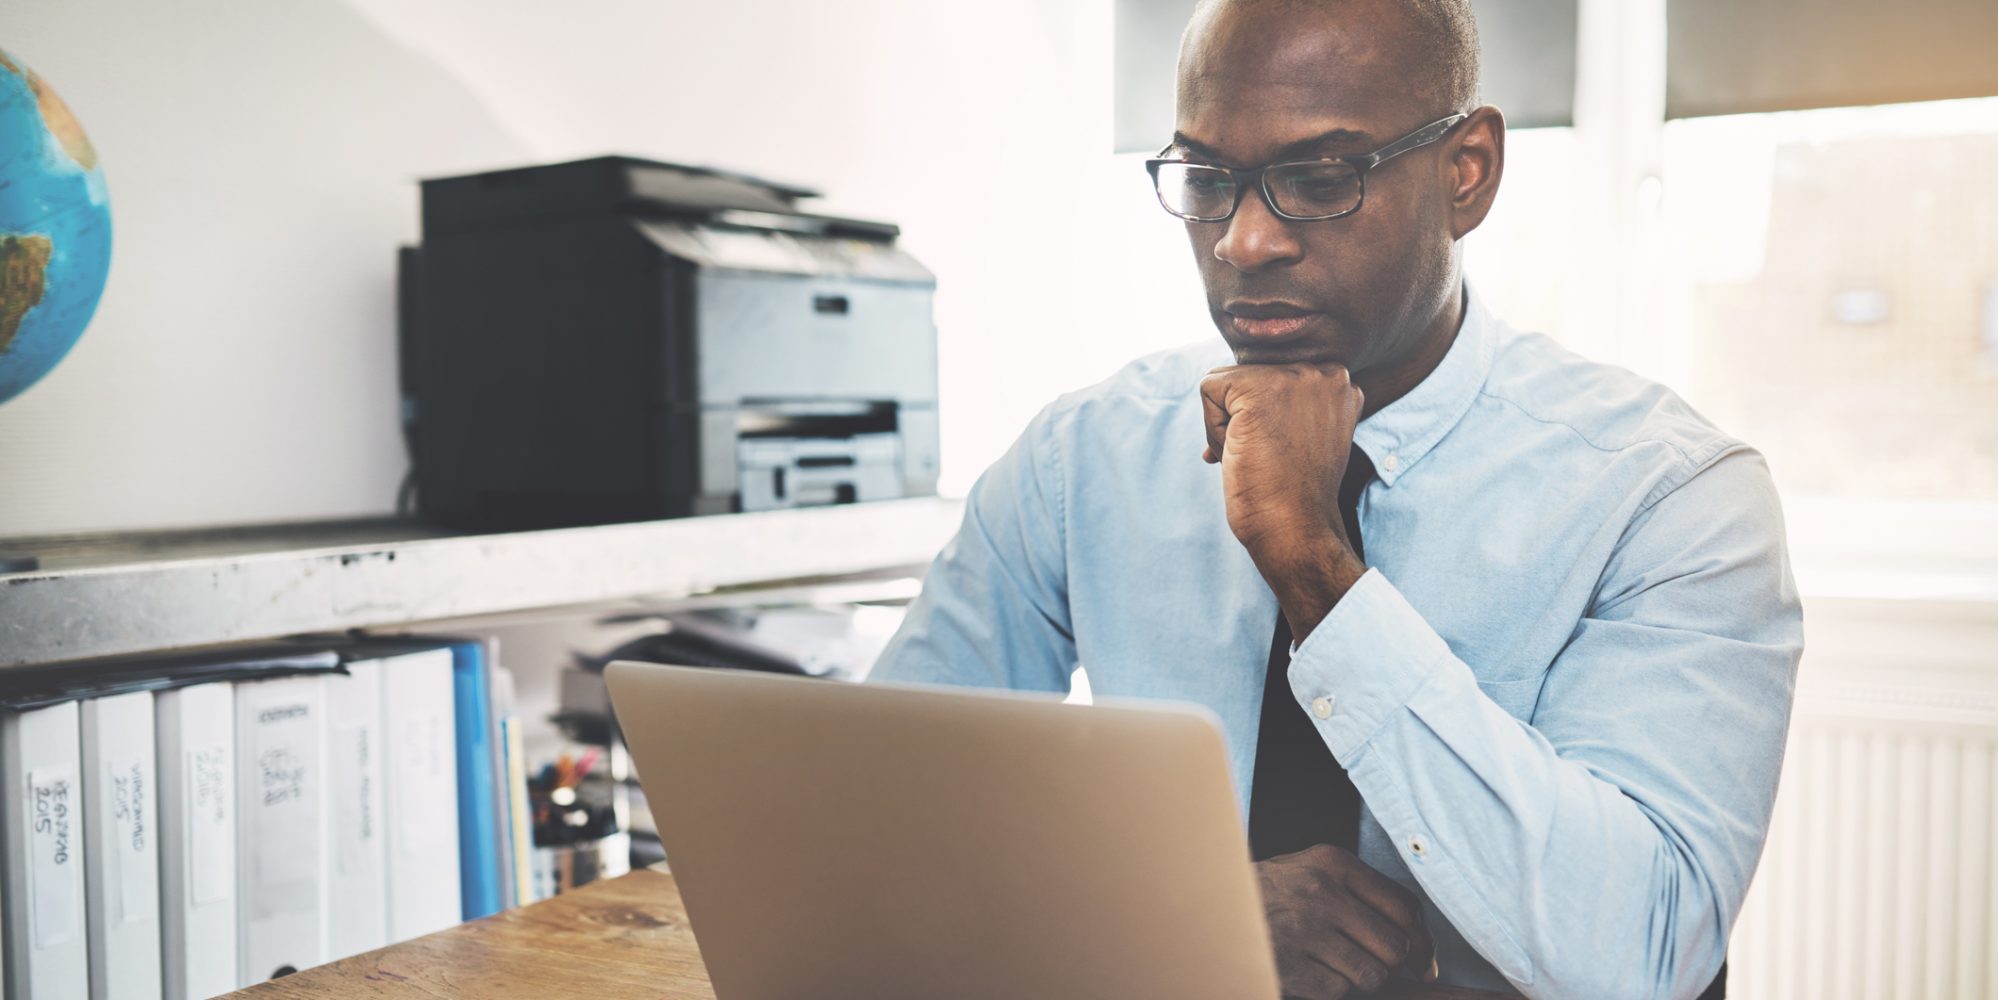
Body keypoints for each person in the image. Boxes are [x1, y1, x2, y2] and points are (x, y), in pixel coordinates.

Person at [868, 0, 1803, 996]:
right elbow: (878, 819)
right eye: (1207, 181)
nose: (1244, 241)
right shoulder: (1080, 458)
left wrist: (1316, 566)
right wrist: (1188, 911)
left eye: (1319, 178)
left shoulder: (1670, 496)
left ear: (1467, 172)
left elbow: (1645, 954)